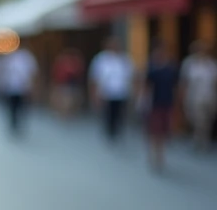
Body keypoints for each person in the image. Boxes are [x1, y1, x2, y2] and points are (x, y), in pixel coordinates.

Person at [89, 37, 135, 142]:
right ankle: (110, 133)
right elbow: (94, 78)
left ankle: (117, 132)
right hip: (106, 93)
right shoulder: (100, 59)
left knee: (119, 114)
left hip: (121, 93)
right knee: (108, 115)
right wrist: (94, 94)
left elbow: (131, 76)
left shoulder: (124, 59)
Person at [142, 41, 178, 172]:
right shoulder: (151, 69)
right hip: (154, 105)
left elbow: (176, 86)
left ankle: (160, 156)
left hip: (167, 103)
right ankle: (153, 155)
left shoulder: (170, 69)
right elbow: (146, 87)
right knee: (154, 132)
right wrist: (144, 102)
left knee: (163, 132)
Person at [180, 40, 217, 150]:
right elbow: (184, 82)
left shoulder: (211, 64)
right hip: (194, 97)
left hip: (209, 97)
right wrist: (182, 97)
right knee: (197, 119)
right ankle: (198, 139)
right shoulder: (189, 64)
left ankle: (204, 140)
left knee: (207, 120)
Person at [0, 44, 38, 137]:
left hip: (23, 88)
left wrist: (31, 85)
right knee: (12, 107)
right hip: (11, 88)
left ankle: (19, 125)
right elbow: (4, 72)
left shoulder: (26, 57)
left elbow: (32, 71)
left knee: (22, 108)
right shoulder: (9, 57)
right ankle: (13, 125)